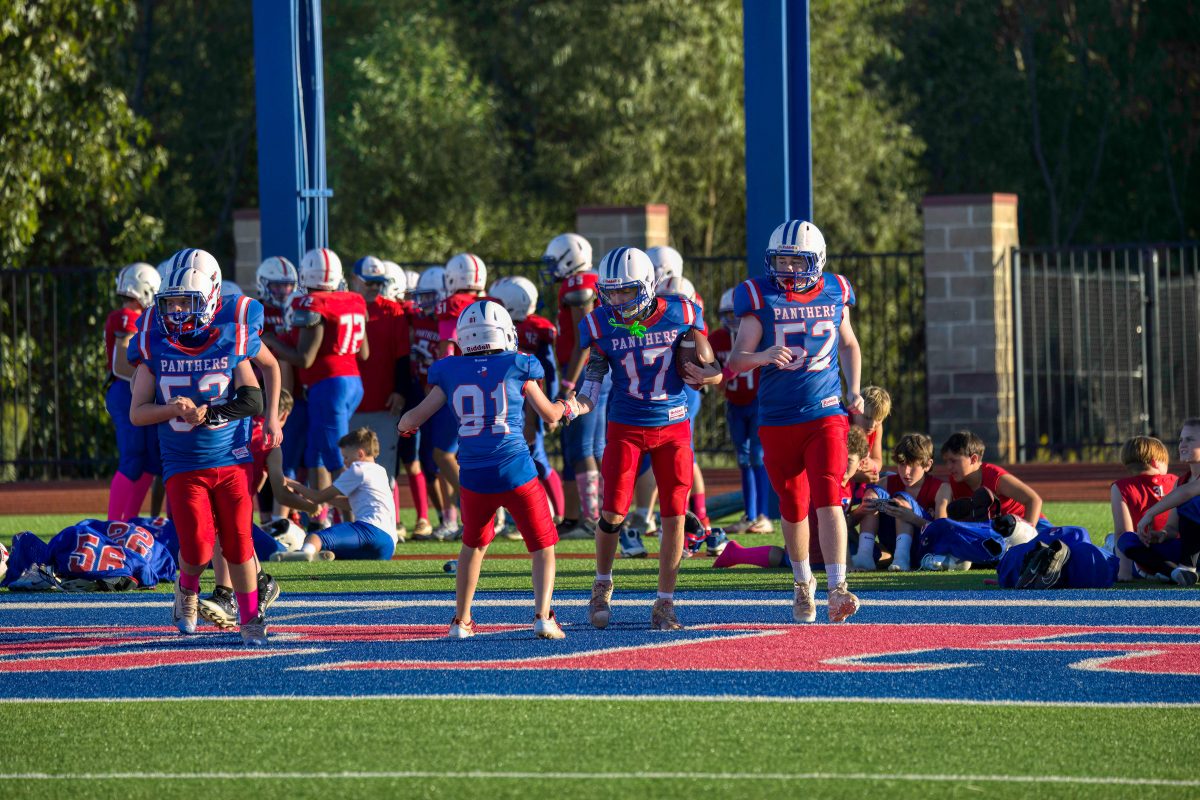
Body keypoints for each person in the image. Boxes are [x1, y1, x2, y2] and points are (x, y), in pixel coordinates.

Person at [398, 300, 574, 639]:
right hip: (516, 469)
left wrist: (403, 426)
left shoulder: (449, 370)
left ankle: (461, 621)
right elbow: (550, 415)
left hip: (474, 475)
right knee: (542, 545)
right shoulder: (519, 364)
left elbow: (413, 418)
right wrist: (569, 406)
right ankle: (543, 616)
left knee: (473, 546)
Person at [568, 246, 722, 631]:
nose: (619, 301)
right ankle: (602, 584)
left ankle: (665, 602)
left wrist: (713, 375)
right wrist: (571, 407)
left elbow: (714, 365)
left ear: (649, 286)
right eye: (612, 292)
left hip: (673, 425)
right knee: (613, 512)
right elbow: (592, 386)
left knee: (674, 514)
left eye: (627, 291)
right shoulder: (600, 324)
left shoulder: (682, 312)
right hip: (627, 424)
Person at [725, 219, 863, 624]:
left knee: (829, 496)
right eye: (781, 260)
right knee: (793, 506)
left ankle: (838, 588)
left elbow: (849, 343)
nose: (787, 269)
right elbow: (736, 360)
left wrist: (854, 389)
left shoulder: (836, 290)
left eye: (796, 261)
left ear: (817, 261)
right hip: (778, 417)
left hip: (825, 412)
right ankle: (803, 584)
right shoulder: (759, 295)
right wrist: (762, 356)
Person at [128, 262, 269, 645]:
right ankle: (186, 590)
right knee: (197, 546)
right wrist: (172, 409)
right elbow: (137, 413)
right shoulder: (154, 344)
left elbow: (252, 397)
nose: (175, 312)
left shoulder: (231, 337)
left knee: (239, 542)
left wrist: (213, 413)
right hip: (184, 463)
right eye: (170, 303)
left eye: (185, 303)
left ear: (208, 300)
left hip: (231, 458)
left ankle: (251, 617)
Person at [271, 248, 368, 512]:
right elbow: (364, 352)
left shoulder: (312, 304)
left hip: (329, 386)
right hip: (352, 382)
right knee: (316, 454)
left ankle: (355, 521)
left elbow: (304, 359)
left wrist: (269, 341)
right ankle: (320, 517)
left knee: (338, 459)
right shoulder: (353, 300)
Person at [714, 427, 867, 571]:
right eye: (839, 457)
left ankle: (737, 553)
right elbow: (834, 526)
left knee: (784, 557)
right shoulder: (828, 484)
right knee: (788, 558)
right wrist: (847, 564)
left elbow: (842, 524)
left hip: (810, 548)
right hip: (815, 553)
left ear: (861, 464)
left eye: (849, 460)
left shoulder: (849, 485)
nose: (842, 464)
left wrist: (860, 513)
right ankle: (738, 554)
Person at [541, 233, 607, 540]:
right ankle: (574, 517)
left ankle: (592, 519)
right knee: (582, 447)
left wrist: (568, 382)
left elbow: (585, 339)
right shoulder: (589, 281)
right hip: (594, 370)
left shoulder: (578, 285)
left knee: (583, 447)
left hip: (585, 372)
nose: (552, 268)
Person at [490, 275, 567, 522]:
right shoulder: (522, 328)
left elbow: (543, 376)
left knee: (536, 458)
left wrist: (537, 417)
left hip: (527, 406)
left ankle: (559, 513)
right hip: (517, 404)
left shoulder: (530, 331)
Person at [349, 255, 415, 542]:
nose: (375, 288)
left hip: (384, 403)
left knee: (384, 472)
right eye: (369, 282)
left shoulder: (393, 311)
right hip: (351, 402)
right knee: (348, 471)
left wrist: (400, 390)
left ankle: (386, 527)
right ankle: (348, 527)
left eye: (379, 282)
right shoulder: (345, 306)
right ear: (354, 281)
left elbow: (403, 357)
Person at [273, 427, 398, 561]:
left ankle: (303, 554)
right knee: (331, 551)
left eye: (346, 457)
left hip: (370, 530)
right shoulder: (380, 471)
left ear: (360, 454)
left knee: (315, 537)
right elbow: (350, 504)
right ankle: (314, 555)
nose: (345, 462)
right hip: (387, 546)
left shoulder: (358, 469)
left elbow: (318, 497)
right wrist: (327, 500)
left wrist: (291, 482)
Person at [709, 287, 771, 534]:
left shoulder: (755, 335)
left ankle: (763, 516)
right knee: (744, 459)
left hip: (757, 402)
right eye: (729, 315)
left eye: (738, 315)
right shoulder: (716, 339)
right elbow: (711, 368)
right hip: (734, 404)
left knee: (757, 456)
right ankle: (750, 515)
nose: (734, 320)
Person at [105, 262, 162, 521]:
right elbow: (120, 365)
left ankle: (129, 521)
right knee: (132, 457)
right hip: (126, 390)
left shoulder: (145, 318)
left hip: (137, 390)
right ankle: (114, 524)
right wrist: (153, 381)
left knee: (150, 459)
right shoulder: (126, 316)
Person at [852, 433, 949, 571]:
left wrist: (912, 518)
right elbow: (849, 522)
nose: (906, 472)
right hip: (891, 543)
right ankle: (864, 555)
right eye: (902, 464)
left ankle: (901, 558)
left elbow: (942, 532)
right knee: (871, 495)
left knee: (901, 500)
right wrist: (860, 511)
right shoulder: (885, 482)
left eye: (912, 465)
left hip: (923, 548)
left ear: (927, 465)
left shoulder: (941, 488)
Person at [939, 430, 1048, 530]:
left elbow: (1034, 500)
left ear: (973, 459)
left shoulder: (995, 477)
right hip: (1000, 530)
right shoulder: (956, 480)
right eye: (946, 461)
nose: (948, 466)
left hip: (1032, 523)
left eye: (953, 461)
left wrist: (1028, 534)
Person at [1109, 436, 1176, 582]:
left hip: (1146, 563)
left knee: (1112, 541)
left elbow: (1123, 532)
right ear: (1155, 462)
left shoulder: (1122, 487)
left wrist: (1124, 572)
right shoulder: (1176, 481)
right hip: (1178, 554)